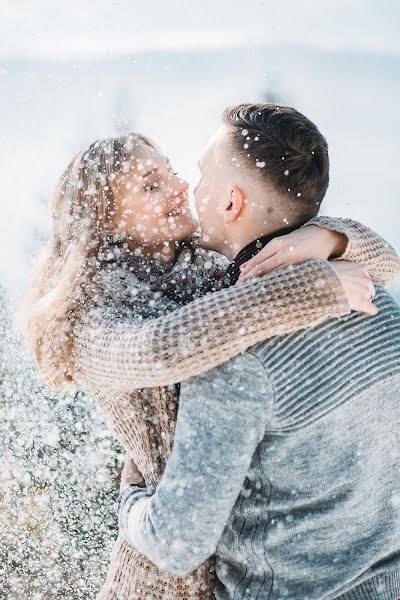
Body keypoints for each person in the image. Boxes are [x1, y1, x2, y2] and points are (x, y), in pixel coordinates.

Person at [22, 109, 397, 600]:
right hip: (164, 576)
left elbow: (383, 263)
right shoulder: (95, 318)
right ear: (105, 220)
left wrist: (330, 238)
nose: (179, 188)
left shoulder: (204, 269)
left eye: (176, 172)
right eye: (151, 185)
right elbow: (163, 347)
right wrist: (315, 285)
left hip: (247, 561)